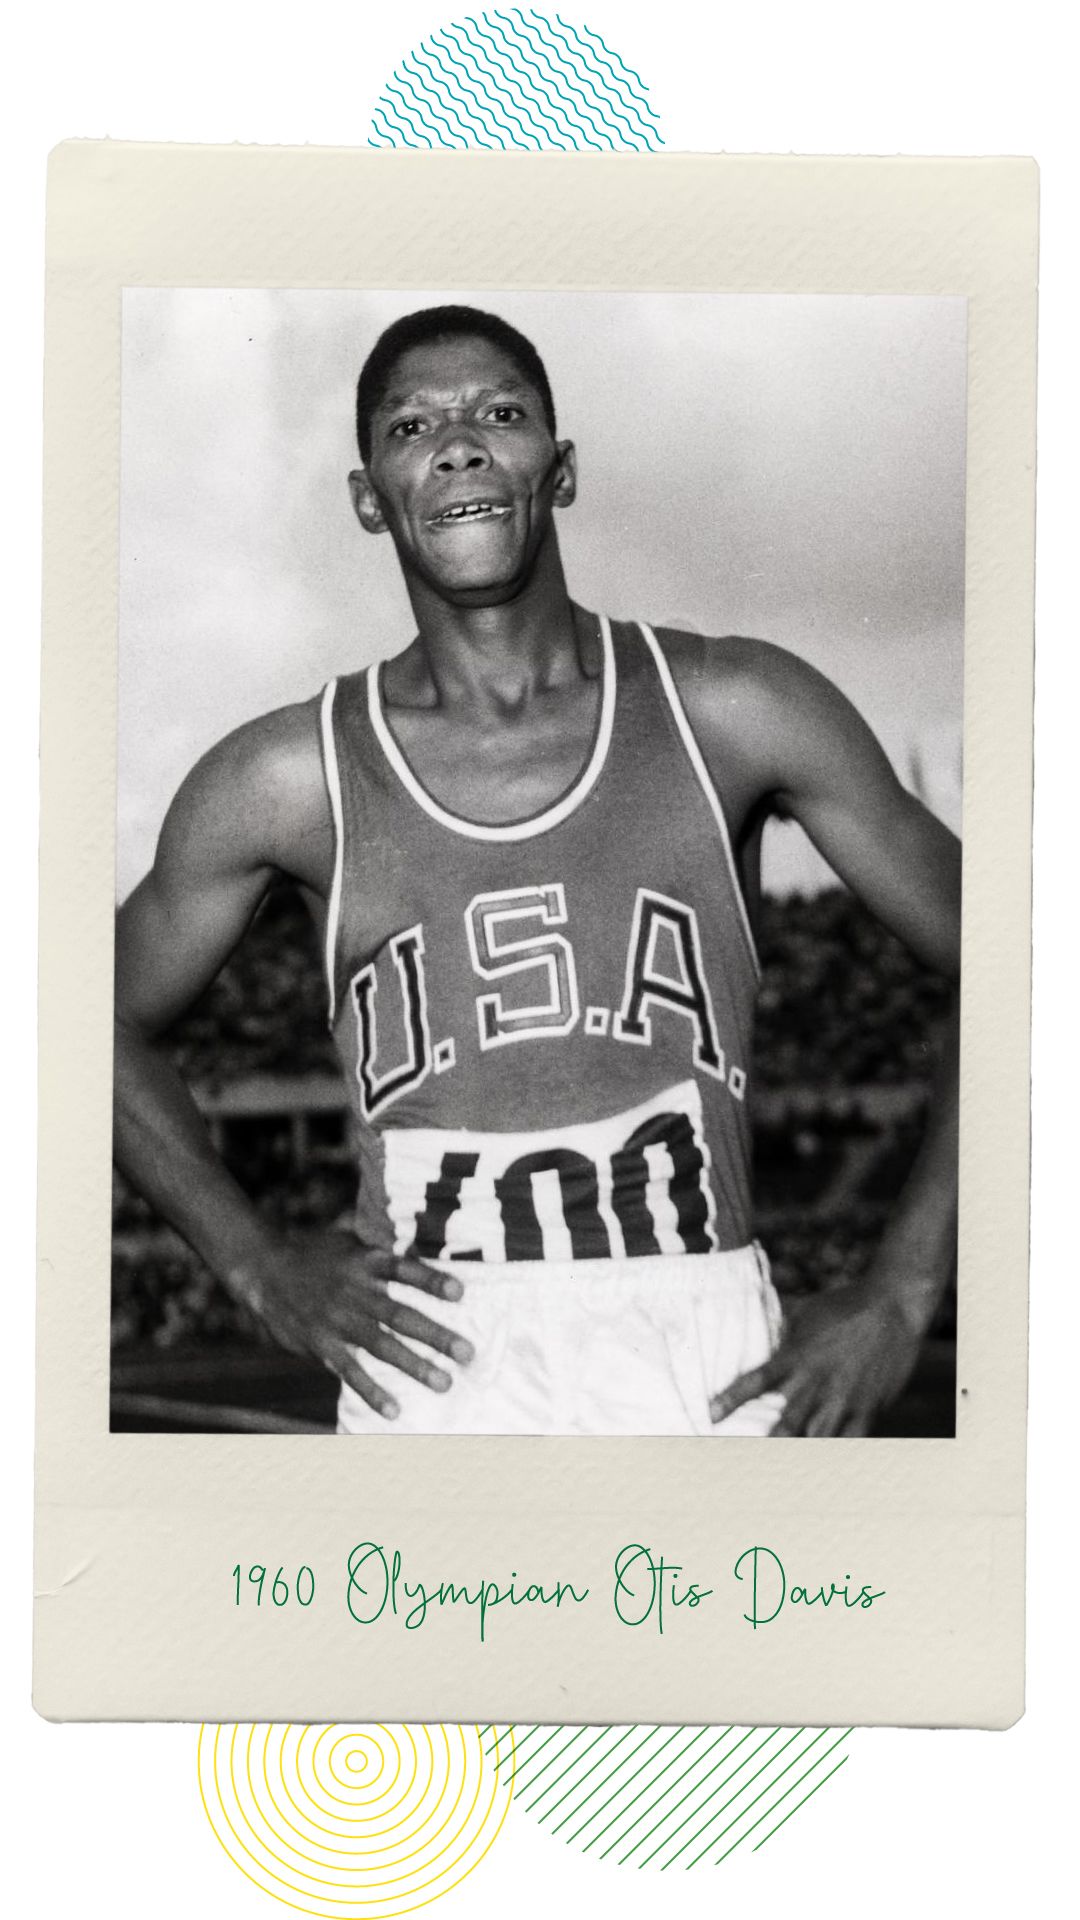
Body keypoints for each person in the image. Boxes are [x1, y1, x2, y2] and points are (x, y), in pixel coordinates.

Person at [113, 304, 960, 1438]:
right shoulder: (284, 779)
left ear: (558, 471)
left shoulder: (737, 708)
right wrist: (258, 1265)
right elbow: (65, 1017)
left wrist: (906, 1286)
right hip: (431, 1360)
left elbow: (1031, 954)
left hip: (705, 1351)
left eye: (499, 414)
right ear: (368, 497)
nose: (459, 443)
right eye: (413, 426)